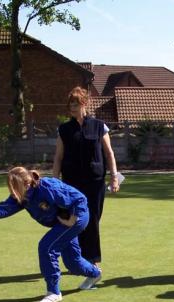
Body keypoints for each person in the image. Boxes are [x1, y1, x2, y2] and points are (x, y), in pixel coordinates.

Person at [0, 167, 102, 302]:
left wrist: (73, 219)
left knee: (46, 247)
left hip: (77, 217)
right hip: (62, 223)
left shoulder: (48, 187)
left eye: (14, 187)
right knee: (72, 261)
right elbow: (6, 208)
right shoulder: (22, 196)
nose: (12, 192)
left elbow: (79, 199)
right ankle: (94, 274)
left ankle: (54, 292)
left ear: (26, 183)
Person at [53, 86, 119, 287]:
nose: (72, 107)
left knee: (93, 221)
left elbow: (109, 154)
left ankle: (93, 261)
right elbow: (58, 157)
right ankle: (77, 261)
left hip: (95, 182)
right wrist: (55, 183)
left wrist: (114, 177)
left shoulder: (100, 126)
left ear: (84, 104)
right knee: (74, 220)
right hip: (71, 183)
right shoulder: (64, 129)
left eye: (75, 103)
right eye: (70, 104)